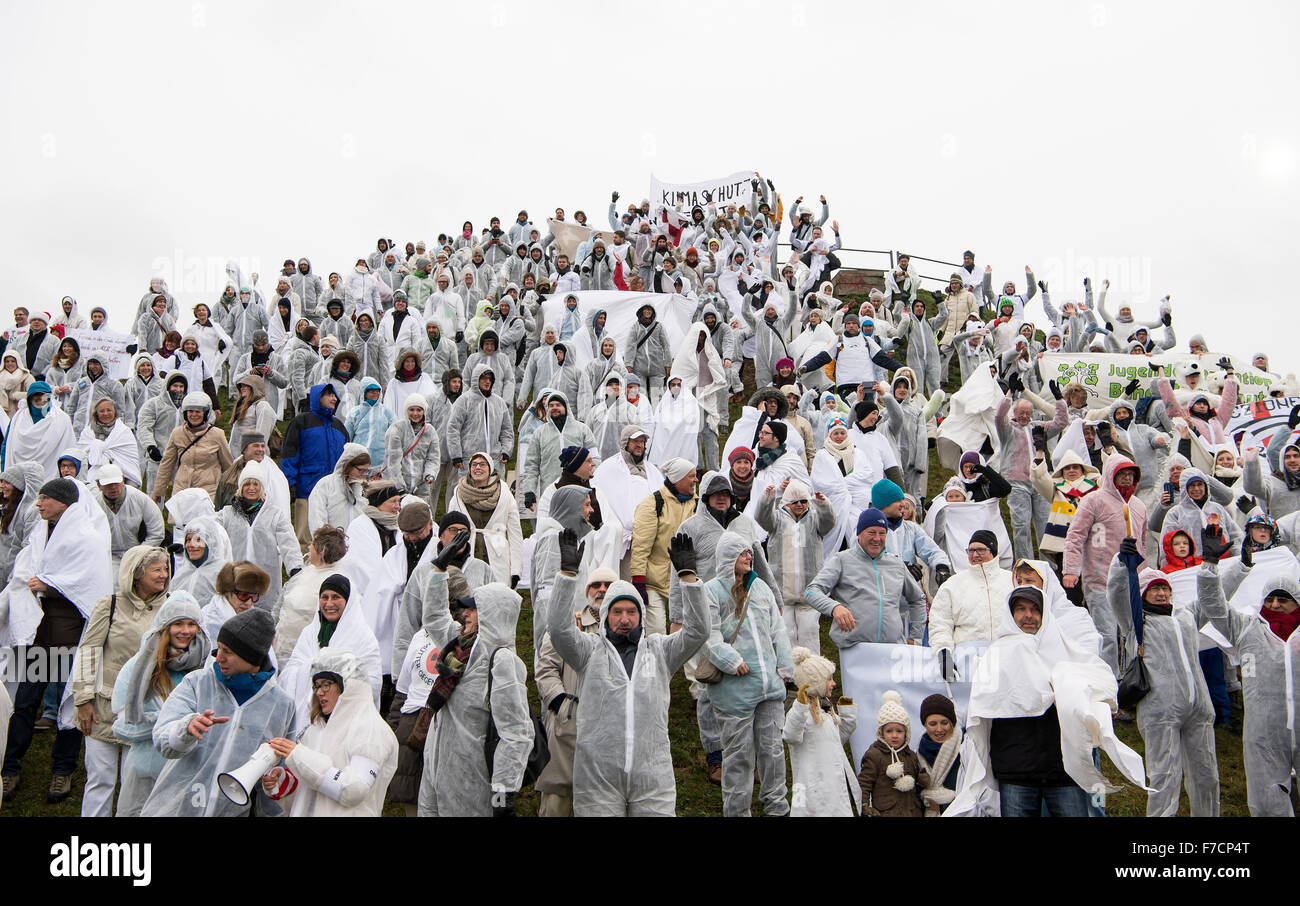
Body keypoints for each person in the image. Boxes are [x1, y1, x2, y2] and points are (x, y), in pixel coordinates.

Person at [546, 530, 708, 815]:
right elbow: (559, 630)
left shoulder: (660, 652)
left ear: (641, 616)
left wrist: (688, 580)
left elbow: (698, 632)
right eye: (617, 612)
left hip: (652, 777)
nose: (624, 619)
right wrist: (567, 575)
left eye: (631, 612)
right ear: (606, 614)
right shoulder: (588, 651)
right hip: (598, 778)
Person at [947, 585, 1147, 817]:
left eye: (1035, 609)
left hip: (1063, 770)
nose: (1028, 615)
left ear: (1045, 614)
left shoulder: (1067, 653)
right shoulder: (996, 656)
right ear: (1011, 615)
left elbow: (1101, 683)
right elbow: (982, 711)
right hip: (1016, 770)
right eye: (1021, 609)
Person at [1, 478, 111, 805]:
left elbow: (92, 586)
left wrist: (49, 585)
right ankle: (9, 767)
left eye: (46, 498)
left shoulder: (87, 539)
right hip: (36, 634)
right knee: (25, 702)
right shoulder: (41, 532)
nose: (39, 503)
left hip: (69, 637)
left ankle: (62, 769)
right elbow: (25, 569)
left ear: (64, 502)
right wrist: (31, 585)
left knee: (71, 705)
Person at [142, 608, 300, 817]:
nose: (218, 658)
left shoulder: (282, 704)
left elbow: (279, 770)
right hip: (171, 810)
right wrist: (186, 729)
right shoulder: (197, 683)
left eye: (228, 652)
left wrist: (275, 780)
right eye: (219, 648)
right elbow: (162, 740)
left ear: (252, 658)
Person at [1106, 550, 1219, 816]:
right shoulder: (1137, 622)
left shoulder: (1185, 617)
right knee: (1164, 776)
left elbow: (1213, 598)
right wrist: (1122, 564)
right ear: (1143, 594)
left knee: (1207, 776)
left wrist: (1212, 565)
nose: (1161, 594)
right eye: (1154, 589)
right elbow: (1117, 594)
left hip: (1199, 709)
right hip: (1160, 712)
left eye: (1165, 589)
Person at [1197, 525, 1300, 816]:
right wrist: (1209, 566)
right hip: (1264, 733)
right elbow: (1213, 607)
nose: (1275, 605)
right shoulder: (1247, 628)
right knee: (1267, 803)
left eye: (1283, 600)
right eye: (1270, 599)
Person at [417, 580, 534, 817]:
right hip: (435, 776)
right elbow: (434, 619)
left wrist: (503, 794)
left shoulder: (502, 661)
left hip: (473, 786)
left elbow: (516, 734)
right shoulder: (459, 649)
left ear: (493, 613)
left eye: (473, 608)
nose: (465, 614)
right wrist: (438, 575)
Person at [71, 545, 172, 816]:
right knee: (100, 780)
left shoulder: (169, 607)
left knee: (134, 782)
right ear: (137, 574)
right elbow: (88, 651)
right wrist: (82, 699)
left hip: (145, 710)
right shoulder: (110, 604)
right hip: (102, 707)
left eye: (165, 569)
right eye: (157, 569)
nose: (164, 575)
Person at [703, 531, 793, 817]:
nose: (749, 556)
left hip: (769, 688)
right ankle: (737, 811)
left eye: (749, 552)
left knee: (773, 752)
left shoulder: (762, 589)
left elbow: (778, 631)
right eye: (743, 553)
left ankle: (777, 807)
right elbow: (708, 636)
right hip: (735, 690)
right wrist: (731, 661)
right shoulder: (711, 591)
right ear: (729, 557)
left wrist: (785, 667)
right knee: (739, 757)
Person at [261, 648, 398, 817]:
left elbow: (354, 790)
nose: (319, 692)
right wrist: (282, 782)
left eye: (326, 684)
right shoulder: (316, 728)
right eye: (317, 685)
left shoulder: (372, 730)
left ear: (348, 685)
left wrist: (300, 756)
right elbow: (308, 792)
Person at [109, 591, 210, 816]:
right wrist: (172, 725)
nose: (185, 631)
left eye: (192, 624)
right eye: (178, 624)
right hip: (145, 772)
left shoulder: (208, 667)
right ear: (165, 627)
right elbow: (123, 726)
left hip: (189, 773)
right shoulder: (138, 667)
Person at [533, 566, 617, 816]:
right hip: (568, 725)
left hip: (611, 726)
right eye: (596, 585)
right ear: (587, 591)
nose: (602, 590)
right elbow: (545, 668)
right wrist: (561, 703)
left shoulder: (628, 627)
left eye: (608, 585)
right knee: (557, 799)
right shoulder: (568, 624)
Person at [1063, 457, 1148, 676]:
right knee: (1107, 635)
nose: (1127, 477)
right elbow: (1075, 536)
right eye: (1122, 473)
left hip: (1132, 581)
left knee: (1132, 633)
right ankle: (1109, 681)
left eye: (1131, 473)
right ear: (1111, 474)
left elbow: (1143, 544)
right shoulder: (1093, 501)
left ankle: (1132, 678)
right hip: (1100, 579)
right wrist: (1071, 570)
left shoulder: (1139, 506)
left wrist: (1145, 574)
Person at [805, 508, 927, 648]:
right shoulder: (842, 560)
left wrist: (916, 637)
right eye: (871, 532)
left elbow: (918, 599)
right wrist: (835, 608)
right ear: (859, 534)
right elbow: (811, 591)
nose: (877, 538)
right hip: (855, 651)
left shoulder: (896, 564)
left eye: (882, 533)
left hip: (893, 650)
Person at [279, 574, 382, 727]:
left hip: (346, 720)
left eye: (336, 597)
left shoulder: (363, 636)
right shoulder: (310, 633)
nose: (329, 603)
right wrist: (316, 667)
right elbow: (291, 671)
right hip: (308, 719)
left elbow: (371, 682)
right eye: (324, 597)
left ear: (348, 601)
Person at [755, 479, 836, 653]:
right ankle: (788, 676)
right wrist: (767, 499)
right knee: (785, 635)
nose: (799, 505)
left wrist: (823, 505)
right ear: (786, 503)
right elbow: (761, 518)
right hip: (782, 594)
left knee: (810, 633)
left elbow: (829, 522)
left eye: (804, 501)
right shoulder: (777, 520)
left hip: (809, 595)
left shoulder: (815, 521)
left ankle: (812, 672)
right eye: (794, 502)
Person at [217, 460, 302, 614]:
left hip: (265, 584)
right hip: (236, 581)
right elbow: (209, 530)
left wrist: (295, 567)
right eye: (247, 484)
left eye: (256, 484)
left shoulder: (275, 514)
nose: (251, 488)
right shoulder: (227, 514)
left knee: (264, 621)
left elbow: (288, 542)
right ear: (240, 487)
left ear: (262, 488)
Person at [782, 648, 859, 816]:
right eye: (829, 679)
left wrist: (848, 715)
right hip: (813, 793)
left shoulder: (825, 711)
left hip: (833, 791)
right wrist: (800, 706)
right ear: (815, 681)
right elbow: (790, 735)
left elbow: (836, 741)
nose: (834, 683)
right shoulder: (801, 715)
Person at [928, 530, 1013, 674]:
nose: (974, 555)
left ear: (993, 551)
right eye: (971, 550)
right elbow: (940, 623)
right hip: (967, 661)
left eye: (980, 550)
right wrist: (944, 653)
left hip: (1007, 658)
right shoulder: (952, 585)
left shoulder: (1012, 581)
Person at [629, 458, 698, 635]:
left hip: (686, 580)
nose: (695, 480)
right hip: (655, 583)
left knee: (689, 637)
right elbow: (640, 547)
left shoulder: (699, 505)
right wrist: (638, 580)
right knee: (656, 633)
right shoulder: (653, 504)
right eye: (691, 476)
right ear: (678, 479)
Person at [448, 451, 523, 586]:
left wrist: (516, 570)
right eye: (474, 464)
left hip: (497, 555)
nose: (478, 468)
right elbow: (449, 531)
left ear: (490, 468)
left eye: (482, 464)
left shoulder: (504, 494)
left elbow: (515, 534)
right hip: (467, 554)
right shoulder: (459, 493)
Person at [151, 392, 233, 505]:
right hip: (183, 489)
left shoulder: (217, 435)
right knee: (180, 522)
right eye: (190, 411)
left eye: (198, 411)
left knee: (204, 522)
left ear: (205, 413)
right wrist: (158, 490)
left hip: (208, 492)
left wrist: (232, 491)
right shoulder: (177, 433)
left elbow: (228, 466)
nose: (194, 415)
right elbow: (166, 464)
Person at [856, 690, 928, 817]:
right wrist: (865, 806)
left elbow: (917, 788)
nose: (894, 735)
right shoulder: (874, 755)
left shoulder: (911, 756)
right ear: (881, 732)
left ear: (906, 733)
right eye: (889, 731)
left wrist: (922, 781)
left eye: (899, 731)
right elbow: (864, 784)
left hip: (912, 812)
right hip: (886, 813)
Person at [91, 464, 165, 586]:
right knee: (112, 586)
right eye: (108, 484)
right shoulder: (94, 505)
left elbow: (157, 532)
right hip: (110, 556)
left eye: (116, 483)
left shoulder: (140, 499)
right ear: (99, 486)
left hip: (141, 554)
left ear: (123, 481)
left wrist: (139, 554)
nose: (113, 487)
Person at [199, 561, 272, 649]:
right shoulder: (210, 621)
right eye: (243, 595)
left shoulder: (254, 619)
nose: (249, 603)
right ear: (227, 591)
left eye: (254, 596)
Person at [172, 515, 233, 608]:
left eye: (198, 539)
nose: (191, 545)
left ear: (210, 542)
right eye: (188, 540)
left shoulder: (224, 573)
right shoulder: (180, 575)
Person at [916, 694, 962, 816]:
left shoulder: (965, 749)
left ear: (952, 722)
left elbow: (975, 791)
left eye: (944, 722)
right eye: (933, 724)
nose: (939, 729)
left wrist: (941, 805)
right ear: (925, 725)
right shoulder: (919, 751)